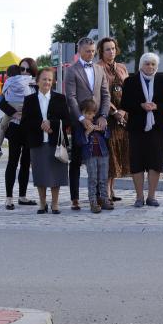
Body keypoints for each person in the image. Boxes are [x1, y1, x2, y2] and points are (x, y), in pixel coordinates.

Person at [65, 37, 111, 211]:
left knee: (99, 160)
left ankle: (100, 197)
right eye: (87, 51)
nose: (91, 54)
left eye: (93, 51)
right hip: (79, 121)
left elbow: (106, 95)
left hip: (98, 122)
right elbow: (71, 97)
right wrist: (81, 119)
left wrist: (104, 116)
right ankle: (75, 198)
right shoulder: (72, 70)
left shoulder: (99, 69)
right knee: (76, 161)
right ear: (79, 51)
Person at [121, 52, 163, 208]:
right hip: (137, 127)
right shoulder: (130, 81)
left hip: (157, 127)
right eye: (147, 63)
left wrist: (156, 106)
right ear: (141, 65)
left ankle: (151, 196)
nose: (150, 67)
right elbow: (124, 103)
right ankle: (139, 197)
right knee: (137, 161)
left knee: (155, 162)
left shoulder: (161, 80)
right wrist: (141, 106)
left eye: (153, 64)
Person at [20, 68, 71, 214]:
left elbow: (67, 120)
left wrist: (51, 123)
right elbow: (24, 122)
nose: (47, 82)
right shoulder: (29, 100)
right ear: (37, 81)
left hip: (56, 142)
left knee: (56, 174)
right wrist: (40, 124)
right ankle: (42, 204)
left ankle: (55, 204)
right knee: (40, 174)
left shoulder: (60, 98)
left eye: (50, 79)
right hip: (37, 142)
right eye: (44, 79)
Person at [97, 37, 131, 203]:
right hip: (107, 116)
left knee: (118, 153)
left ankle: (112, 190)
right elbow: (100, 94)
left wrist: (124, 110)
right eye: (107, 49)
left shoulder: (122, 67)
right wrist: (114, 111)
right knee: (109, 154)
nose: (111, 52)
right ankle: (105, 192)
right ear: (101, 52)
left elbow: (129, 90)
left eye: (113, 48)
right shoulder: (98, 68)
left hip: (123, 117)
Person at [1, 58, 38, 209]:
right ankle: (9, 198)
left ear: (33, 71)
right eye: (22, 69)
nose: (24, 72)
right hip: (15, 127)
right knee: (12, 161)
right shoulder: (13, 82)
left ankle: (22, 196)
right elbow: (2, 103)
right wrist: (14, 113)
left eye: (28, 70)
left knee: (26, 163)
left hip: (29, 128)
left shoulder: (35, 85)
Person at [75, 99, 110, 213]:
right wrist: (87, 132)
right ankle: (93, 202)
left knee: (103, 178)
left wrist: (102, 130)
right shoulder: (80, 125)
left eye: (91, 113)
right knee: (93, 179)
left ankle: (104, 199)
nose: (89, 116)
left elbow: (108, 135)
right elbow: (79, 141)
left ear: (95, 113)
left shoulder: (98, 122)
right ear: (82, 113)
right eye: (87, 113)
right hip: (90, 155)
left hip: (103, 154)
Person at [0, 64, 33, 160]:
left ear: (8, 74)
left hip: (12, 106)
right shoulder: (26, 79)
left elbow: (3, 92)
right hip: (25, 105)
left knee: (2, 125)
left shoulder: (8, 81)